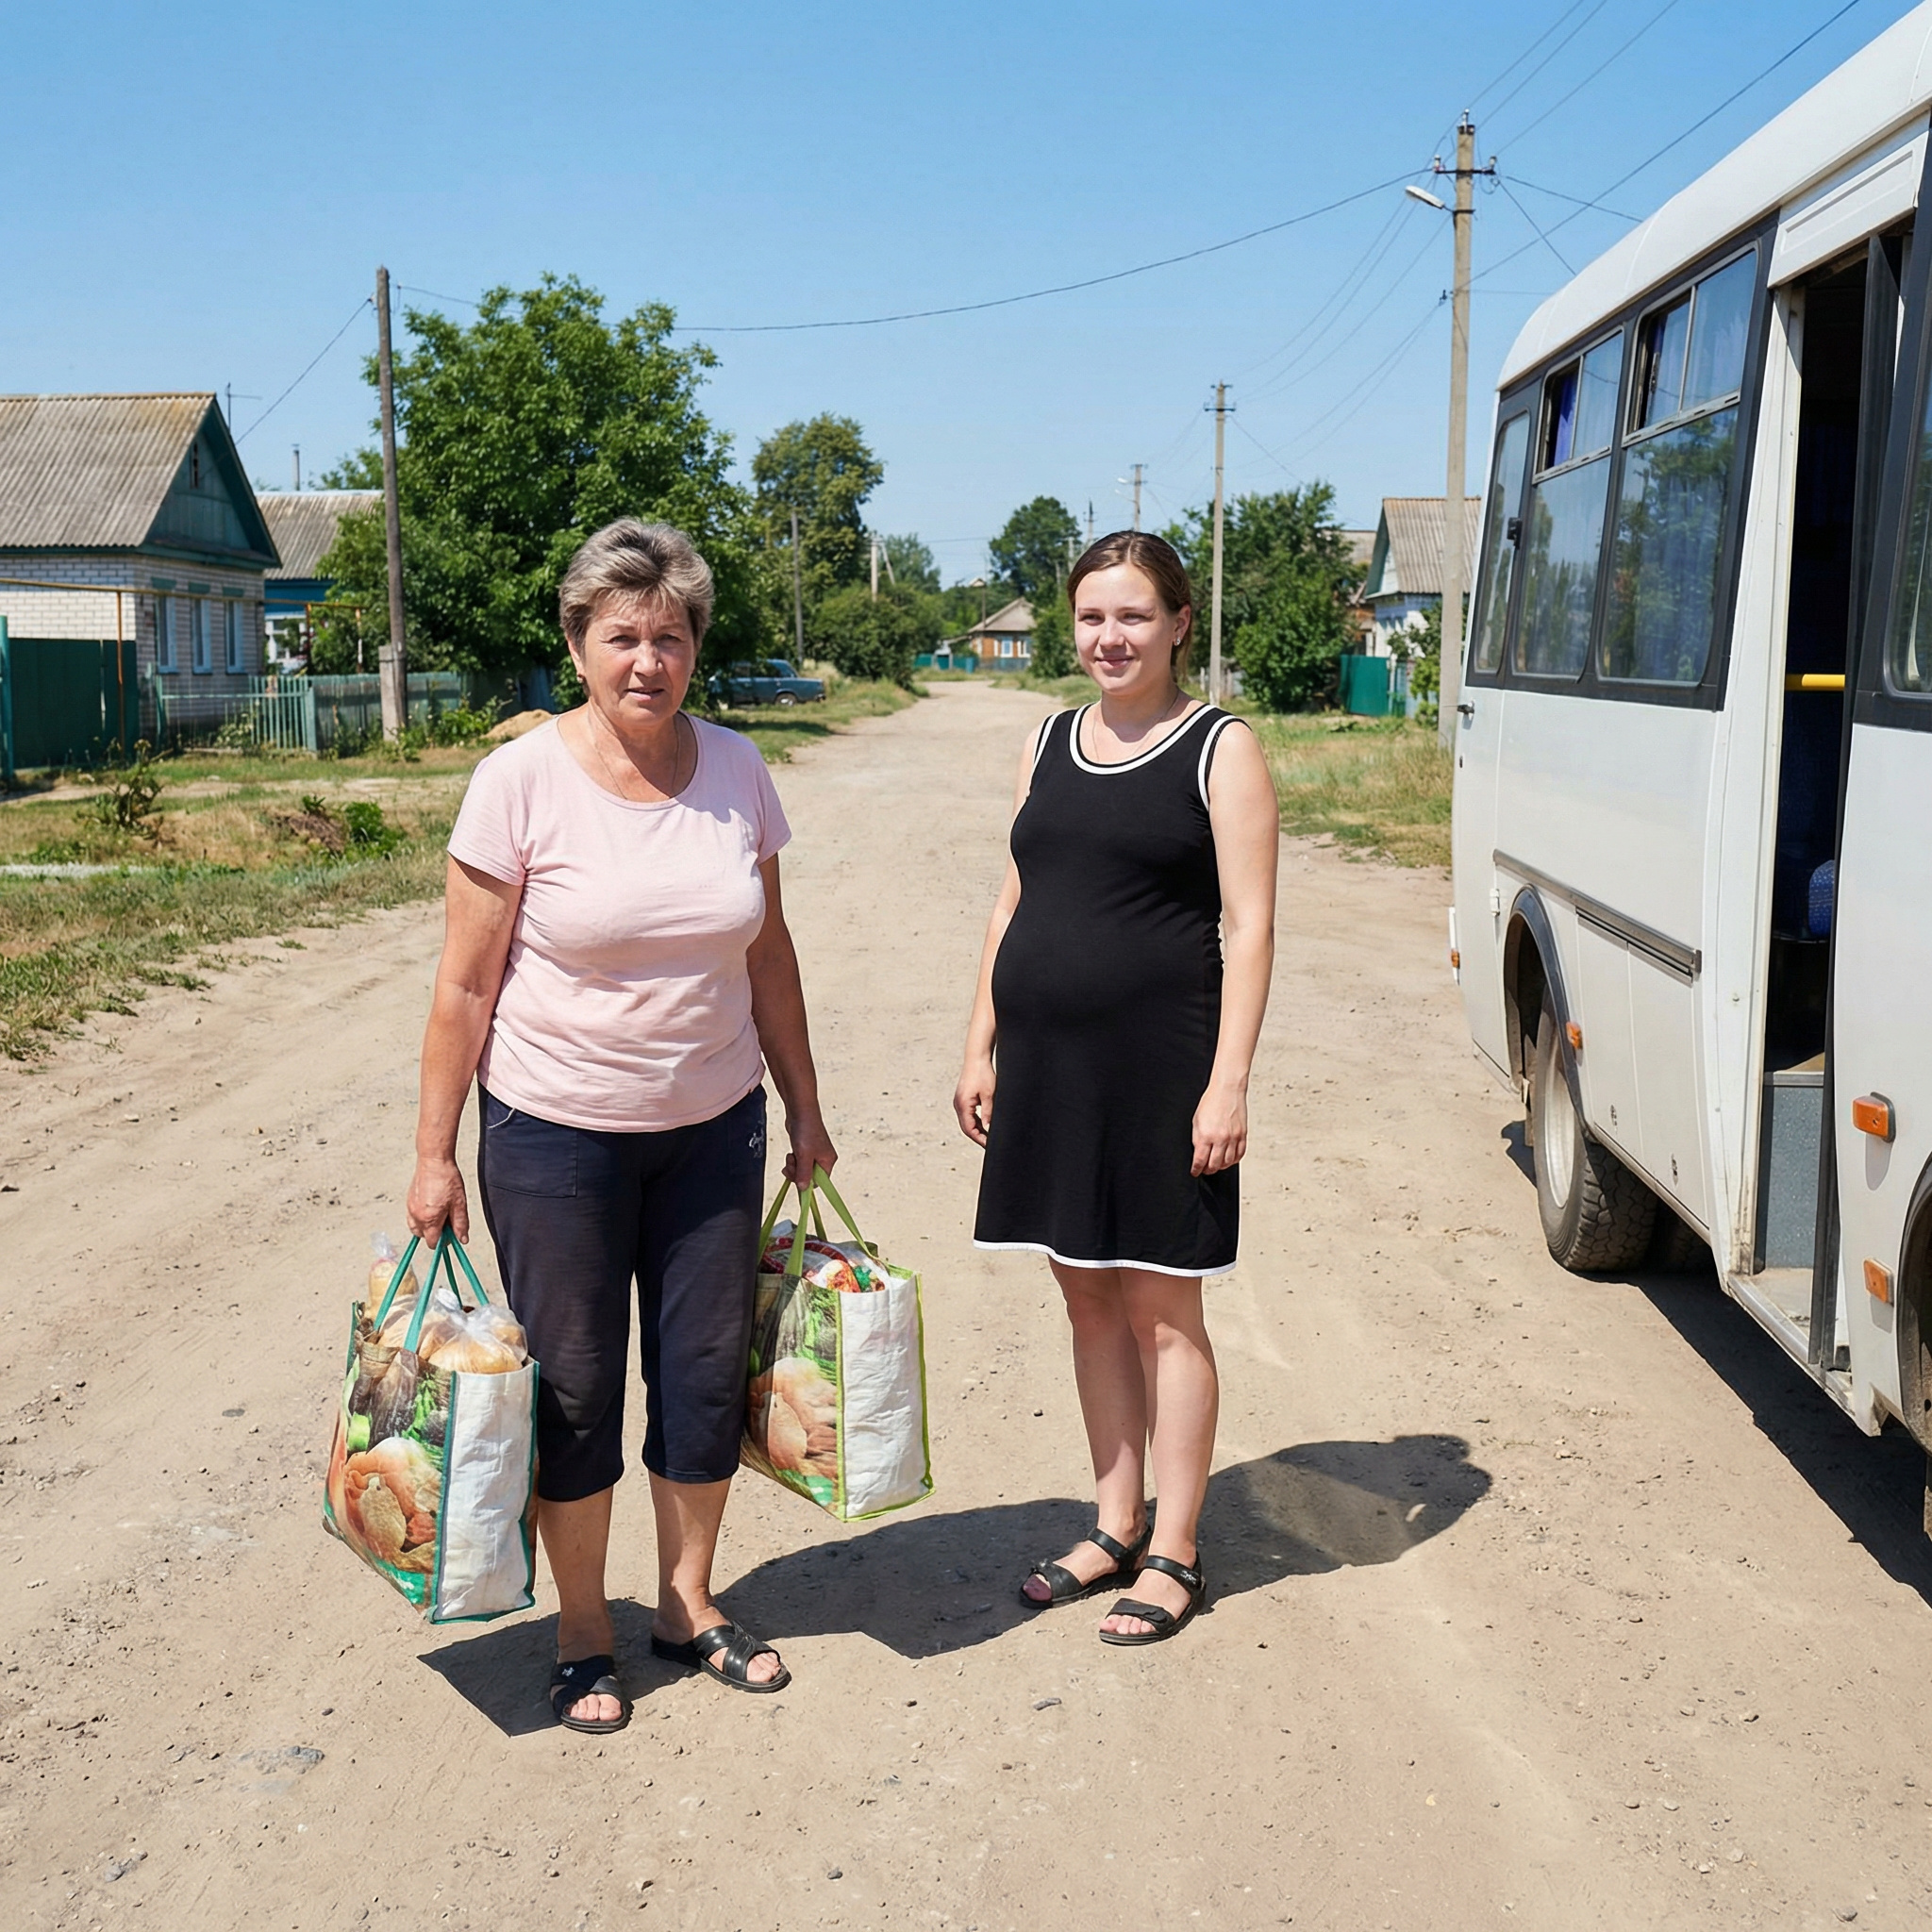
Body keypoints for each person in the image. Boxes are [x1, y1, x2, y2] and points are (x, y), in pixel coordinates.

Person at [407, 519, 837, 1733]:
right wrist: (435, 1152)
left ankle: (687, 1601)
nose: (647, 659)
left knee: (703, 1373)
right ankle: (584, 1623)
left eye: (669, 635)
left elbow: (769, 951)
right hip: (555, 1133)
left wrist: (805, 1104)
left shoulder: (740, 771)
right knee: (580, 1385)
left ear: (694, 643)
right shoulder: (518, 780)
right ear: (578, 646)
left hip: (711, 1128)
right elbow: (462, 985)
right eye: (621, 637)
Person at [954, 531, 1277, 1646]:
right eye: (1092, 616)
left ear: (1179, 622)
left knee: (1162, 1310)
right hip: (1048, 1068)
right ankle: (1112, 1521)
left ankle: (1177, 1548)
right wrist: (979, 1042)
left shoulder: (1218, 748)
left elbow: (1250, 923)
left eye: (1133, 615)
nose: (1109, 637)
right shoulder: (1045, 740)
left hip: (1160, 1073)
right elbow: (1012, 899)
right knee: (1084, 1291)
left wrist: (1226, 1081)